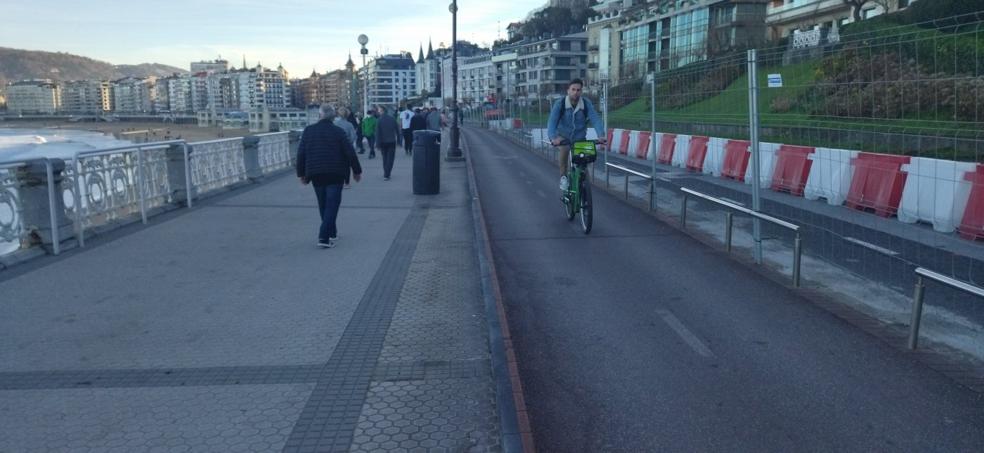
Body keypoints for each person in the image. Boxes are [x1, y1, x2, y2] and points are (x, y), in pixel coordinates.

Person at [296, 105, 363, 248]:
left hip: (316, 173)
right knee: (332, 205)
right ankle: (323, 237)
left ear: (320, 116)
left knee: (323, 204)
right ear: (333, 117)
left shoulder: (309, 131)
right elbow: (350, 152)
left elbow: (301, 153)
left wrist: (301, 173)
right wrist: (356, 171)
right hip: (335, 172)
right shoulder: (338, 131)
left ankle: (332, 233)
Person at [548, 78, 606, 191]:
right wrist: (553, 137)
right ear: (568, 91)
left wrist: (601, 135)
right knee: (565, 150)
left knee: (583, 161)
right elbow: (552, 122)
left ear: (581, 91)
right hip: (563, 138)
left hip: (580, 138)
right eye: (573, 89)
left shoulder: (586, 104)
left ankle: (584, 186)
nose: (575, 92)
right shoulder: (560, 104)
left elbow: (595, 119)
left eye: (578, 90)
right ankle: (563, 177)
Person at [333, 107, 358, 188]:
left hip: (335, 147)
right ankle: (346, 183)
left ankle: (338, 180)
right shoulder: (349, 125)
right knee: (346, 166)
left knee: (336, 164)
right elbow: (354, 136)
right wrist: (349, 142)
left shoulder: (334, 124)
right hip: (346, 147)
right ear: (347, 115)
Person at [374, 106, 400, 181]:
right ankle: (387, 174)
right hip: (392, 141)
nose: (378, 112)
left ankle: (386, 173)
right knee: (390, 159)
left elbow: (377, 133)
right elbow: (397, 130)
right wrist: (399, 141)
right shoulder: (392, 119)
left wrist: (377, 144)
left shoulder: (379, 120)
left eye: (379, 110)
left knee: (385, 158)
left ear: (382, 111)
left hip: (383, 142)